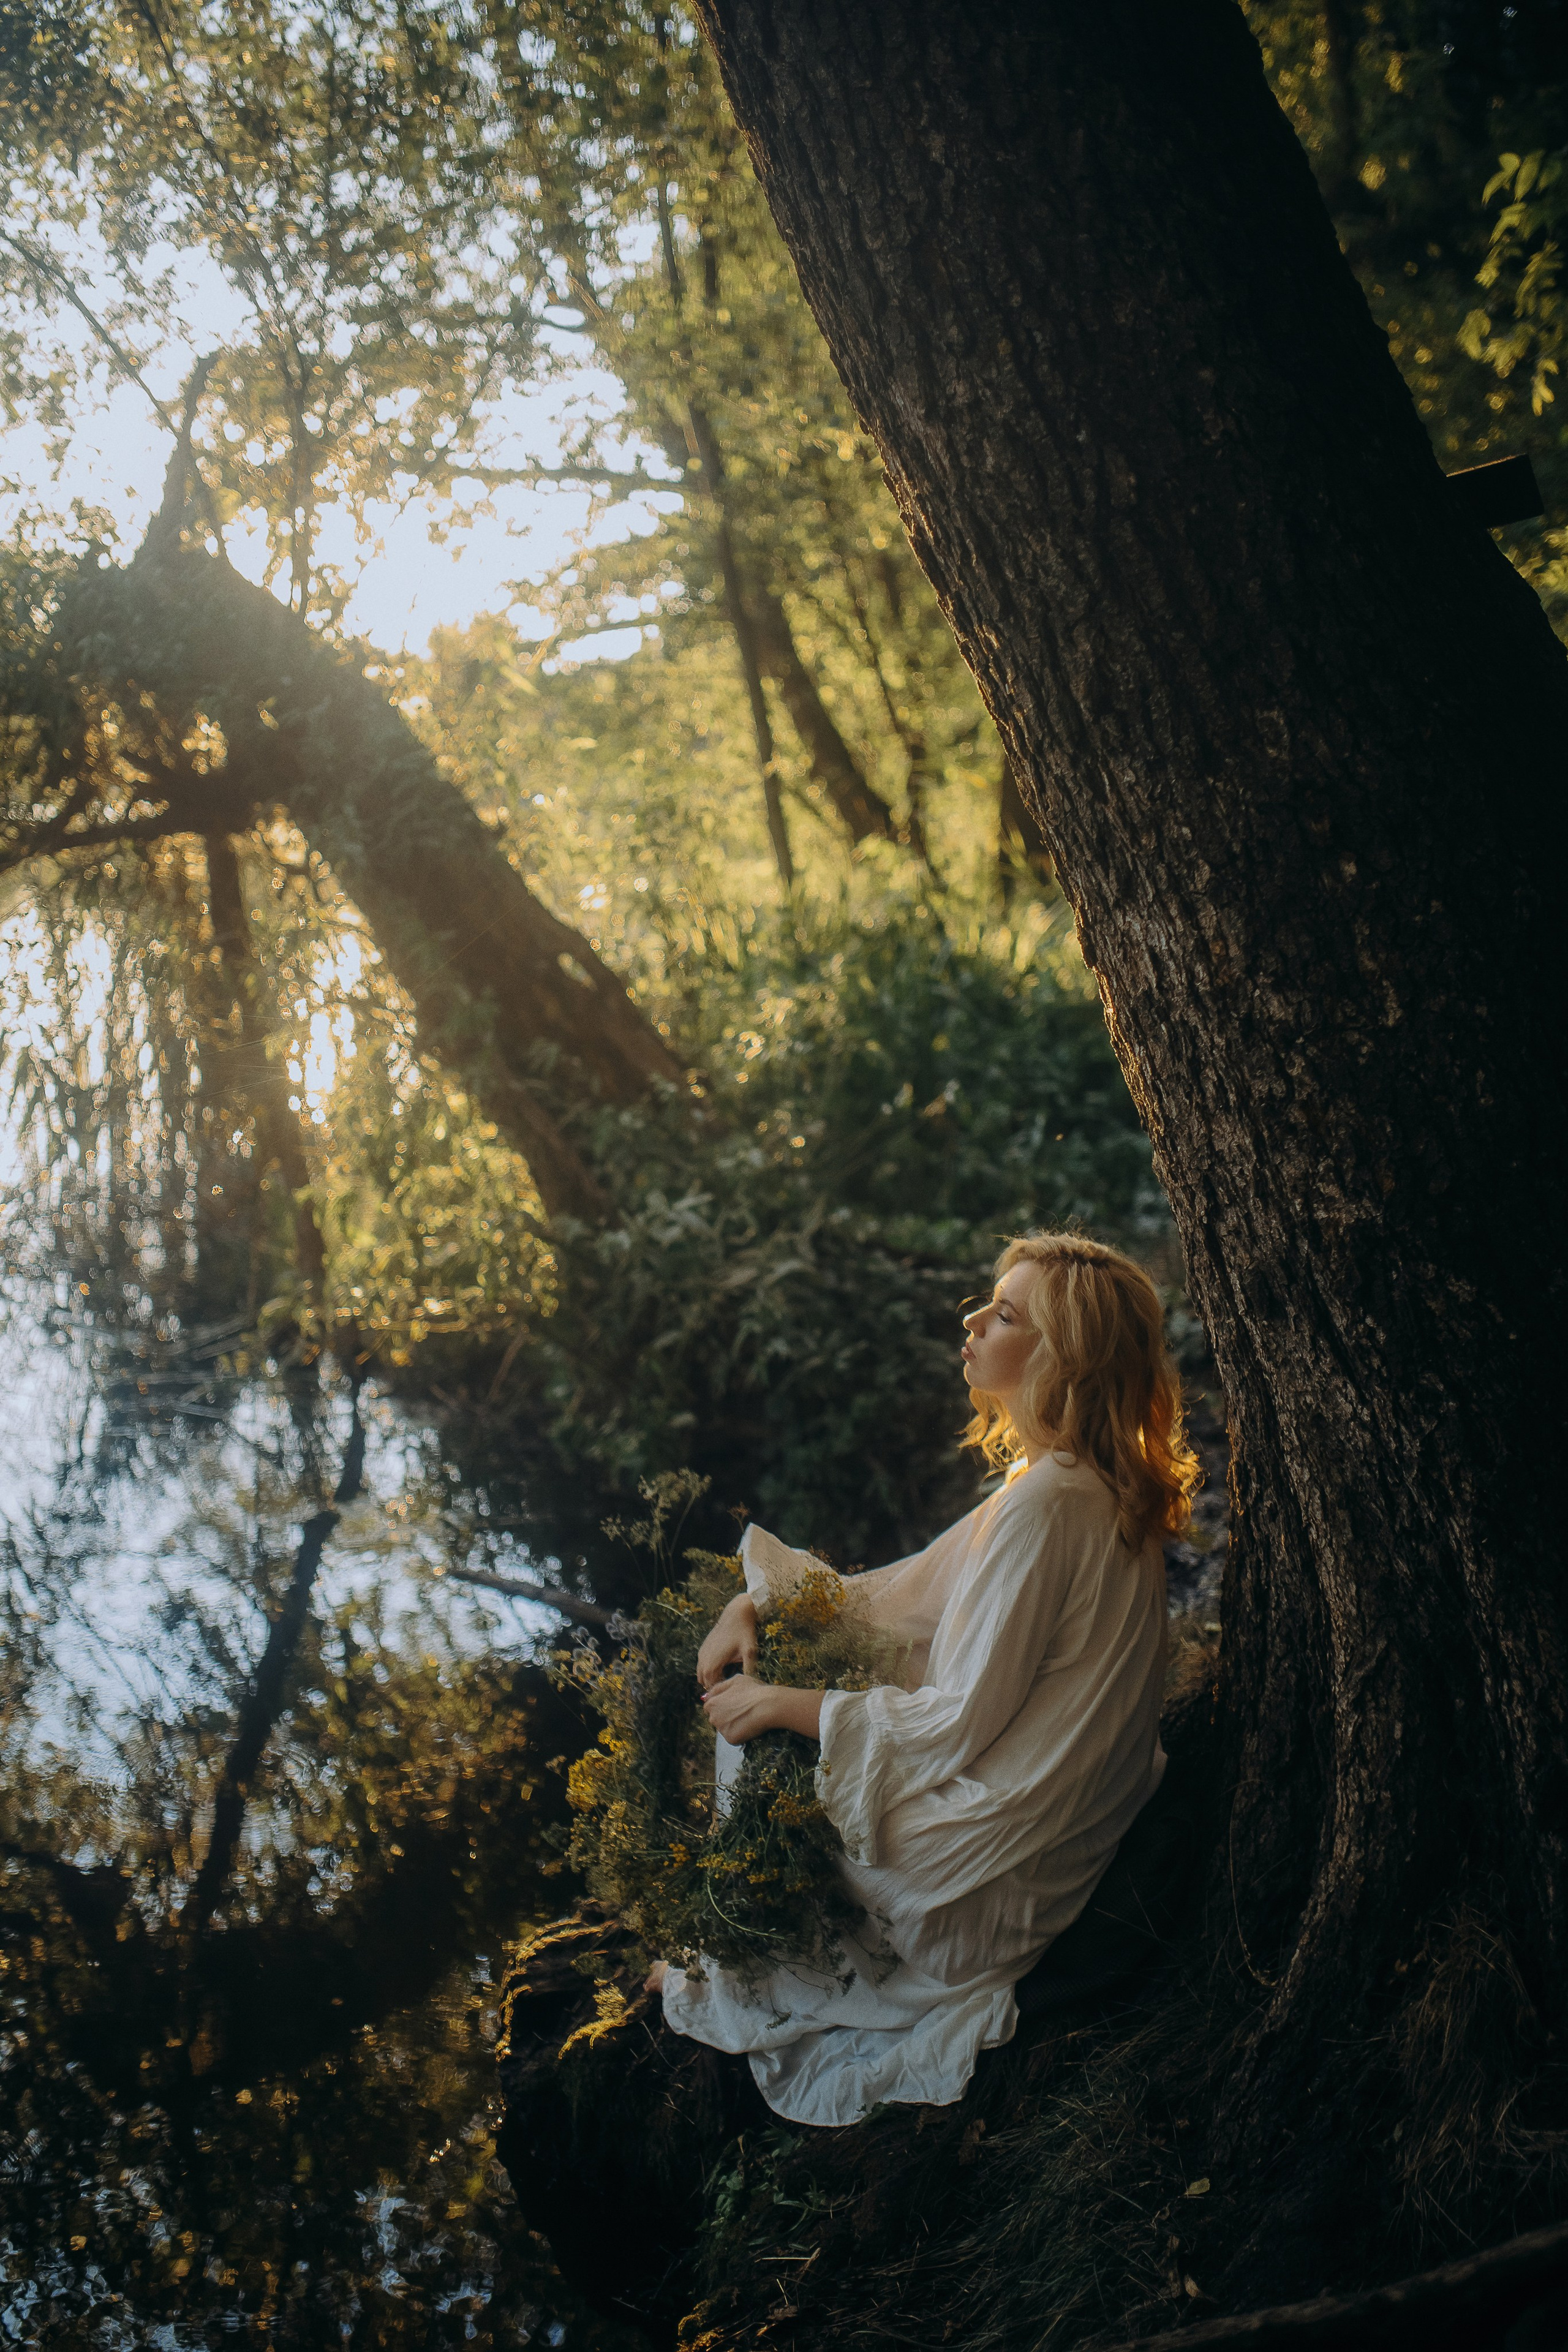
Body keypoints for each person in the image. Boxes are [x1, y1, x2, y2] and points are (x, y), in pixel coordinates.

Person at [645, 1231, 1200, 2128]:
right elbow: (903, 1600)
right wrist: (754, 1607)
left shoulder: (1052, 1503)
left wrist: (781, 1704)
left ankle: (737, 1974)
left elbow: (953, 1725)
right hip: (1045, 1817)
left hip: (992, 1862)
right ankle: (736, 1957)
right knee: (783, 1686)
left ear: (1062, 1357)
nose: (974, 1320)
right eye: (989, 1300)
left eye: (1007, 1314)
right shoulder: (1067, 1480)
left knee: (764, 1748)